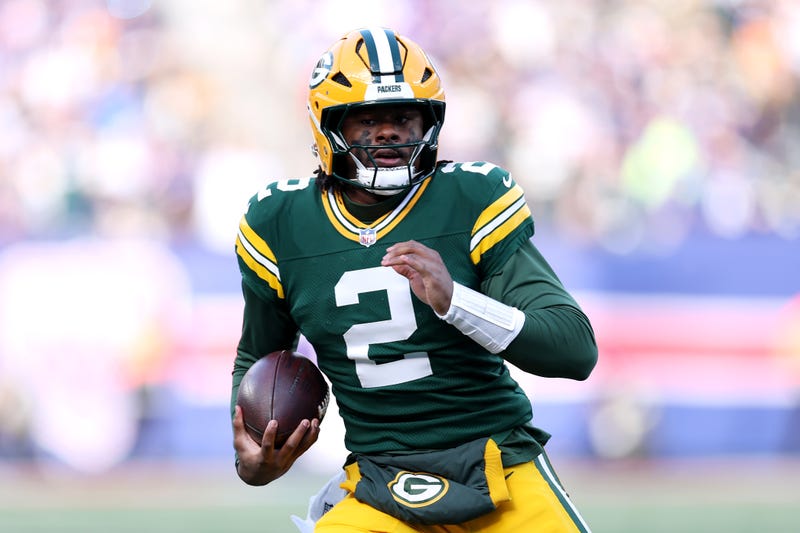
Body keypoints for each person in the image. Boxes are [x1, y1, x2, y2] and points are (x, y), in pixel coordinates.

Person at [231, 27, 598, 533]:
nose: (388, 133)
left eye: (403, 117)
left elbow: (574, 350)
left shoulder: (470, 196)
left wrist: (457, 302)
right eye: (367, 119)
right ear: (327, 124)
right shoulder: (279, 220)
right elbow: (259, 356)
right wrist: (254, 452)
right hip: (379, 482)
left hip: (500, 465)